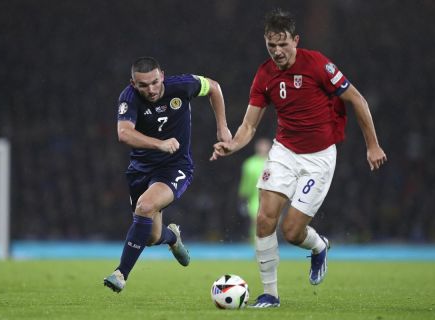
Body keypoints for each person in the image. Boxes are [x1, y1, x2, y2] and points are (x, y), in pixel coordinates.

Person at [210, 9, 387, 308]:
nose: (277, 51)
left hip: (318, 158)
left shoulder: (317, 63)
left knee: (292, 232)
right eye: (271, 45)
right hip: (284, 152)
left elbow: (356, 98)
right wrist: (232, 146)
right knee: (265, 218)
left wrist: (372, 145)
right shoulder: (264, 75)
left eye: (283, 45)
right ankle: (270, 294)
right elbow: (249, 125)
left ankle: (318, 246)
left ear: (295, 41)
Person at [104, 56, 232, 293]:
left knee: (145, 206)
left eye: (154, 82)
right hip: (140, 170)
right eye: (143, 85)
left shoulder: (182, 85)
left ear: (162, 75)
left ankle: (121, 273)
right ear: (133, 84)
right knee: (151, 237)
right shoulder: (128, 98)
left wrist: (222, 127)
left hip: (176, 167)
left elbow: (214, 87)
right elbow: (124, 133)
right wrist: (159, 144)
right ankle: (172, 238)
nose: (150, 90)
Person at [238, 137, 272, 242]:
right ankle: (256, 244)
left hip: (271, 198)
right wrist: (243, 198)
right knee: (256, 222)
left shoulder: (273, 163)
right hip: (255, 198)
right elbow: (245, 183)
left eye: (265, 146)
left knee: (268, 223)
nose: (263, 148)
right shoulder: (249, 164)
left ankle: (265, 243)